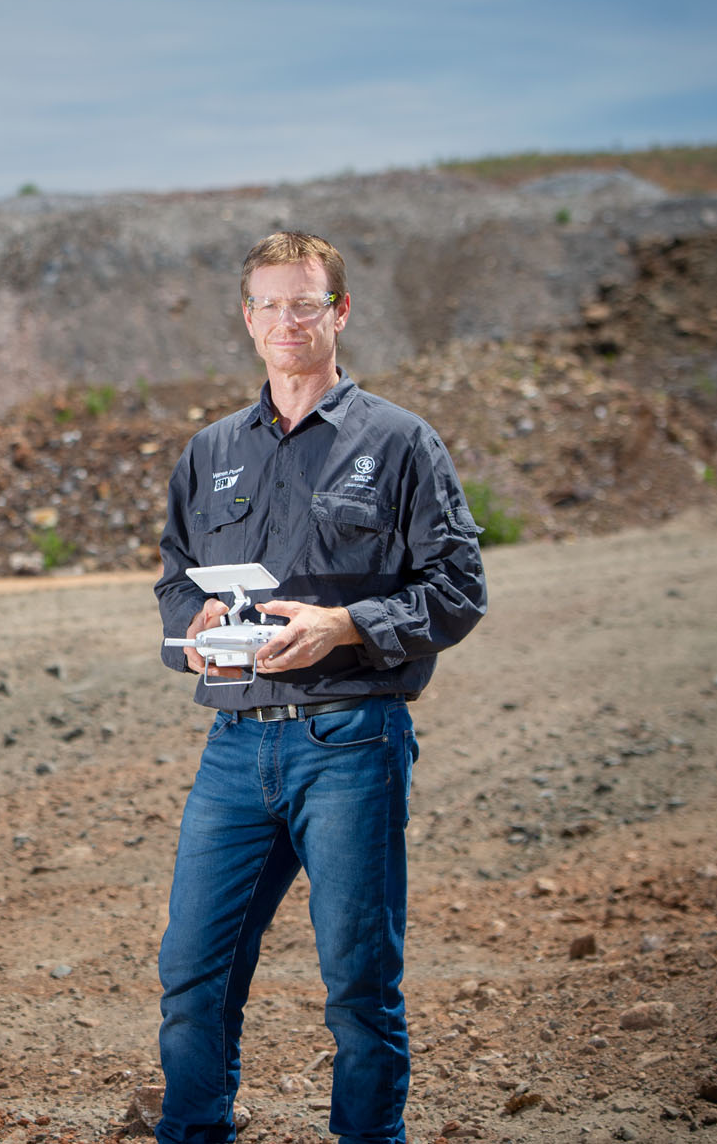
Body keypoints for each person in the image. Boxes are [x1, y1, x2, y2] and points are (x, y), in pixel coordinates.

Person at [152, 231, 487, 1144]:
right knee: (192, 978)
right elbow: (177, 579)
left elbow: (458, 591)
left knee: (357, 986)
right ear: (247, 318)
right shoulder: (211, 450)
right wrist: (198, 630)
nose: (286, 321)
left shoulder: (402, 442)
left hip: (351, 742)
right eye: (269, 304)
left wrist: (344, 625)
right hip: (234, 750)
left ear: (339, 313)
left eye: (306, 303)